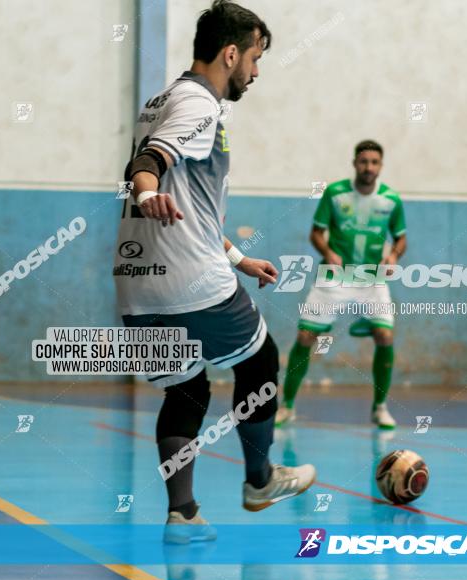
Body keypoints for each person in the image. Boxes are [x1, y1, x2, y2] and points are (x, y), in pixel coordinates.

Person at [114, 0, 315, 543]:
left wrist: (236, 258)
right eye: (254, 57)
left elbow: (190, 203)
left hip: (137, 285)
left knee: (186, 390)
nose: (256, 71)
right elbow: (150, 163)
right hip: (189, 281)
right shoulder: (201, 105)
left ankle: (183, 515)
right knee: (262, 359)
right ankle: (259, 480)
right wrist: (149, 188)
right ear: (231, 53)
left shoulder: (159, 100)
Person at [276, 140, 407, 429]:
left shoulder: (391, 200)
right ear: (354, 163)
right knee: (306, 336)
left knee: (385, 336)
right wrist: (327, 252)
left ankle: (380, 407)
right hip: (334, 278)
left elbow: (400, 238)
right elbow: (316, 233)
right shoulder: (335, 194)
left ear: (381, 166)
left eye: (374, 162)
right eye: (364, 162)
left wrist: (394, 255)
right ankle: (287, 406)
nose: (369, 167)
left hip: (371, 280)